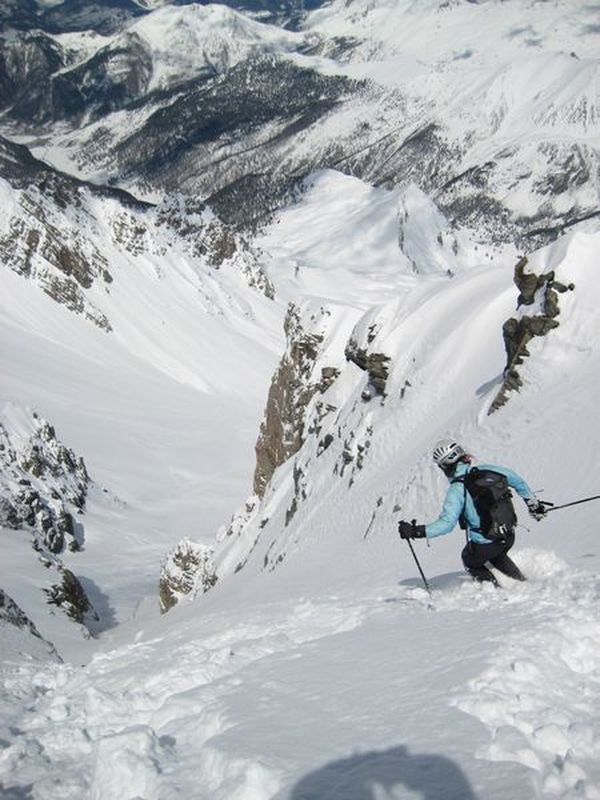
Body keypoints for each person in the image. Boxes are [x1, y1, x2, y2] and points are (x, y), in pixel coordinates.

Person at [398, 439, 549, 586]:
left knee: (470, 559)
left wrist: (415, 531)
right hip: (508, 534)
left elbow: (446, 524)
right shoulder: (489, 470)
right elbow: (517, 481)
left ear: (445, 466)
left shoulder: (457, 490)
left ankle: (494, 592)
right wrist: (534, 505)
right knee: (497, 555)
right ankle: (522, 583)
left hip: (486, 542)